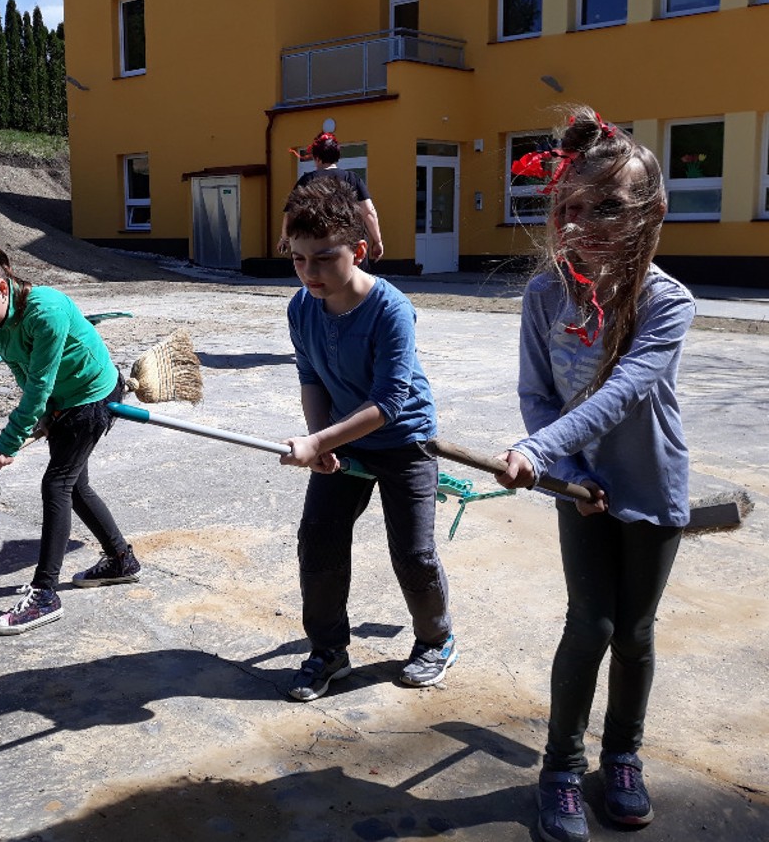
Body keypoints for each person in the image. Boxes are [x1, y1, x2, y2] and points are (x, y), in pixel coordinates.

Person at [492, 108, 695, 842]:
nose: (581, 224)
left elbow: (623, 392)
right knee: (590, 625)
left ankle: (623, 758)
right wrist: (564, 470)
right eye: (570, 208)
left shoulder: (667, 302)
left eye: (606, 206)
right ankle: (560, 769)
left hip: (651, 485)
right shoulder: (544, 296)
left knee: (634, 632)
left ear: (650, 212)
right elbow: (538, 394)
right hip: (578, 487)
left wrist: (538, 450)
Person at [278, 178, 455, 702]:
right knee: (319, 541)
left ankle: (436, 640)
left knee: (414, 553)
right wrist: (323, 441)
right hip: (345, 442)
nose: (309, 272)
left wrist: (319, 441)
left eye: (323, 258)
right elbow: (311, 377)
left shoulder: (391, 309)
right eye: (298, 259)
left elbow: (390, 400)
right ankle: (329, 650)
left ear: (358, 251)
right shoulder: (301, 307)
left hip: (405, 442)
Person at [0, 245, 140, 635]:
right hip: (61, 401)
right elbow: (21, 369)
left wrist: (9, 442)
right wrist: (42, 417)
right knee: (74, 485)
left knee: (57, 484)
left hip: (91, 395)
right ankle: (121, 560)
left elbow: (40, 384)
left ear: (2, 288)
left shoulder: (46, 311)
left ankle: (45, 594)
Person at [279, 132, 384, 262]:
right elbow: (369, 212)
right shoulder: (352, 178)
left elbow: (290, 214)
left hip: (316, 248)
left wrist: (284, 239)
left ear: (317, 158)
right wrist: (377, 241)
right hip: (350, 248)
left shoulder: (306, 180)